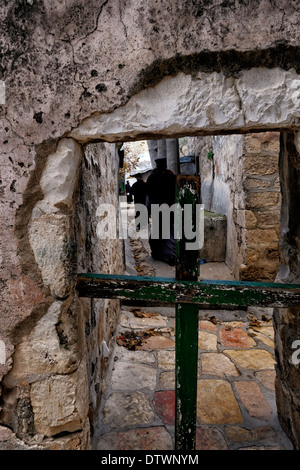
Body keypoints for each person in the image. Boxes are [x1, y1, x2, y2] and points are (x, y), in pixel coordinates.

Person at [146, 157, 176, 266]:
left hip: (157, 208)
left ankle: (158, 253)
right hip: (171, 207)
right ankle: (170, 255)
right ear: (166, 165)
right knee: (170, 233)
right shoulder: (171, 175)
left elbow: (149, 195)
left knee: (158, 232)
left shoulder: (152, 177)